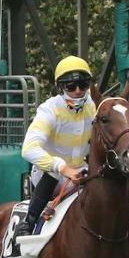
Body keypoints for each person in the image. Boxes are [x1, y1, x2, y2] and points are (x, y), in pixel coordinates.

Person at [20, 55, 95, 234]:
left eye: (83, 85)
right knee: (53, 172)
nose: (78, 90)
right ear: (61, 88)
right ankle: (28, 223)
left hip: (81, 171)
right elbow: (28, 149)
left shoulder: (93, 106)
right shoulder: (49, 110)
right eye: (71, 86)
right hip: (50, 175)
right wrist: (62, 168)